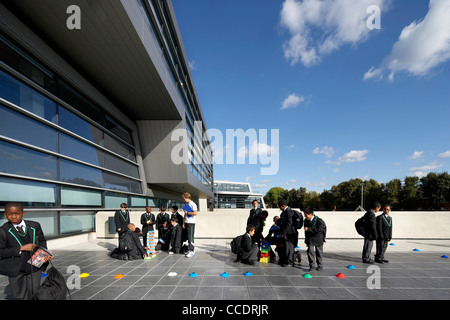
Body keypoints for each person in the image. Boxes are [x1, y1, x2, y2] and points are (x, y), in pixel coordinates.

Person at [0, 202, 52, 300]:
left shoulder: (35, 226)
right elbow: (1, 251)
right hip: (15, 269)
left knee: (35, 291)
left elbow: (41, 241)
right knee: (18, 295)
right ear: (5, 215)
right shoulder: (3, 231)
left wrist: (44, 255)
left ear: (23, 213)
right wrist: (20, 248)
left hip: (35, 265)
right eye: (10, 214)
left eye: (17, 213)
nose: (14, 216)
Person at [278, 199, 300, 267]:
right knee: (287, 247)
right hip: (288, 233)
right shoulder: (285, 212)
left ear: (283, 206)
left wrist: (283, 233)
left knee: (289, 247)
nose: (279, 208)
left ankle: (289, 262)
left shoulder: (289, 212)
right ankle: (287, 260)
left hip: (290, 233)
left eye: (280, 207)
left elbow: (289, 223)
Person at [182, 192, 198, 258]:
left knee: (190, 237)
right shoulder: (187, 204)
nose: (184, 200)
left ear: (187, 198)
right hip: (187, 222)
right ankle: (190, 249)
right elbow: (185, 214)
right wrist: (183, 223)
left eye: (185, 198)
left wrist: (188, 212)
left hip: (191, 223)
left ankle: (192, 251)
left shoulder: (193, 204)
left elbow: (195, 213)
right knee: (188, 237)